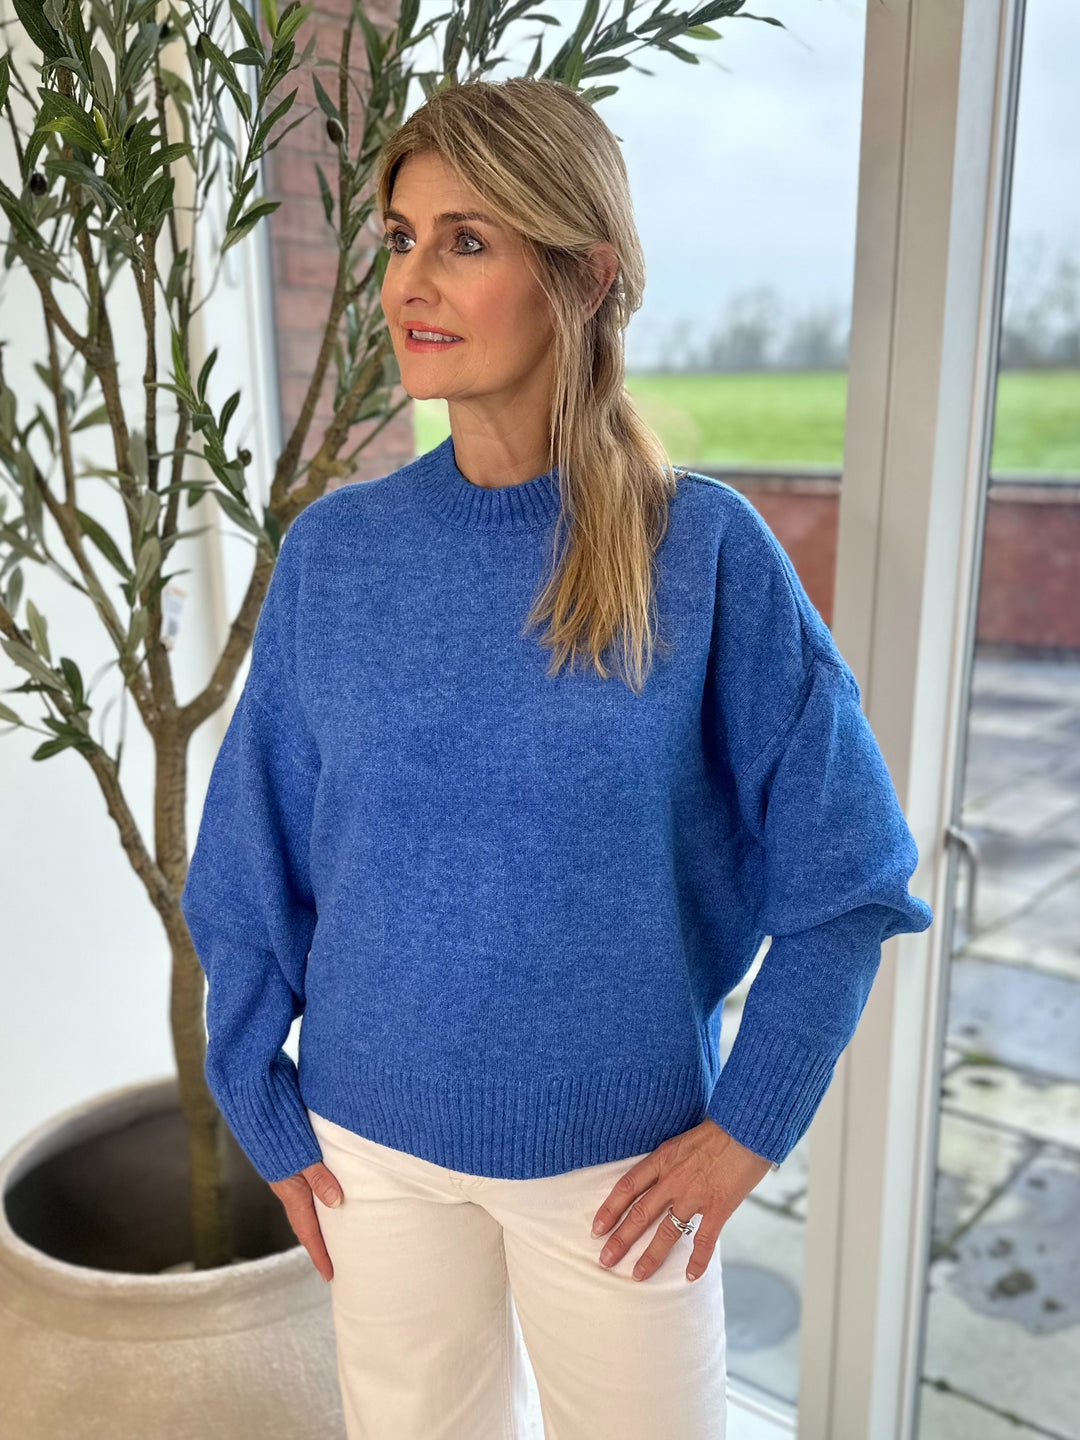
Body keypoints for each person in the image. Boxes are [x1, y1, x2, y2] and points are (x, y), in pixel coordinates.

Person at [181, 76, 933, 1440]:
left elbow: (853, 877)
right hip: (371, 1159)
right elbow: (247, 863)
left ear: (584, 276)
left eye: (466, 240)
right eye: (401, 237)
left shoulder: (702, 553)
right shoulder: (337, 558)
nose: (412, 280)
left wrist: (748, 1128)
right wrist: (259, 1097)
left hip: (620, 1176)